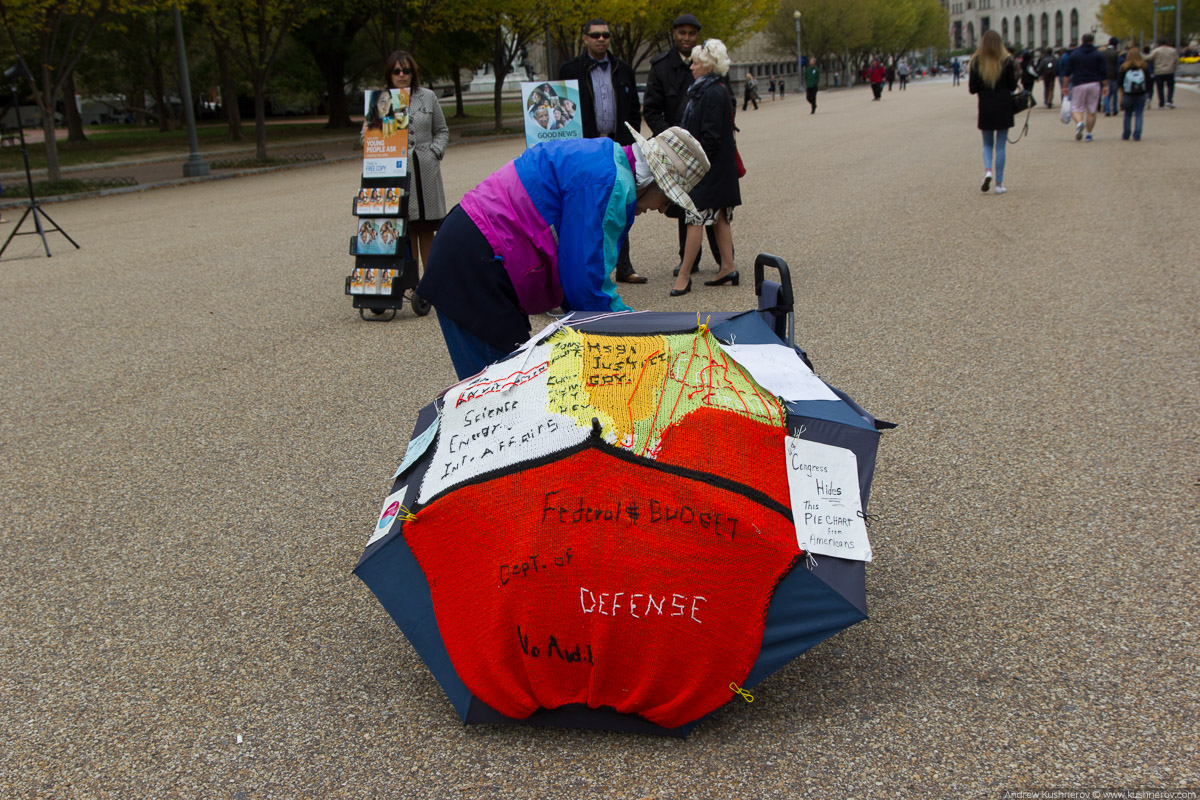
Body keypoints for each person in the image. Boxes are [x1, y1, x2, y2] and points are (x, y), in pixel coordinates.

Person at [416, 128, 709, 380]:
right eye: (667, 199)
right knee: (498, 403)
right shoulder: (609, 183)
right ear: (652, 180)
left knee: (510, 387)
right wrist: (649, 337)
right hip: (474, 268)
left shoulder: (605, 159)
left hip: (470, 252)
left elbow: (581, 279)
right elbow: (586, 287)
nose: (662, 209)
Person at [559, 18, 646, 285]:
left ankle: (624, 266)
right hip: (584, 148)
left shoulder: (624, 69)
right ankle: (589, 271)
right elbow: (559, 109)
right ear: (585, 38)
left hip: (617, 147)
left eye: (605, 35)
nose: (601, 39)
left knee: (620, 202)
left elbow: (633, 110)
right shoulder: (569, 69)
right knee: (585, 208)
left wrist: (629, 143)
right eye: (595, 35)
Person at [642, 13, 725, 278]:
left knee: (716, 200)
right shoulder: (661, 67)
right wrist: (671, 140)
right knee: (683, 202)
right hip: (677, 148)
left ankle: (724, 260)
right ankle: (688, 259)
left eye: (691, 33)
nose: (686, 38)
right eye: (682, 33)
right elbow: (652, 109)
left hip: (708, 145)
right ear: (674, 34)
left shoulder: (710, 65)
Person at [671, 39, 740, 298]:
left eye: (696, 63)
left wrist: (693, 164)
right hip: (718, 166)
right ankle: (728, 266)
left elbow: (710, 137)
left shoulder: (711, 92)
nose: (692, 67)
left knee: (694, 218)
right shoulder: (711, 89)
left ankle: (684, 275)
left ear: (708, 65)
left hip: (709, 167)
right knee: (720, 216)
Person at [386, 51, 449, 277]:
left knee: (426, 227)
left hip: (426, 169)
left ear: (413, 73)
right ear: (390, 74)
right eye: (397, 71)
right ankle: (412, 280)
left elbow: (441, 130)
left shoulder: (428, 97)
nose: (402, 75)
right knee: (407, 227)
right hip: (398, 170)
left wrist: (435, 151)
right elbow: (368, 138)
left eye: (406, 70)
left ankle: (431, 280)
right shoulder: (382, 101)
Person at [968, 29, 1018, 196]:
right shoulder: (1007, 60)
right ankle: (999, 183)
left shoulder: (976, 61)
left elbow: (972, 88)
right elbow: (1012, 86)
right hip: (1004, 105)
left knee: (987, 144)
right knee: (1001, 145)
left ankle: (988, 170)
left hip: (986, 105)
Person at [1063, 33, 1107, 142]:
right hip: (1094, 83)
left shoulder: (1074, 54)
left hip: (1079, 83)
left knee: (1076, 108)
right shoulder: (1098, 54)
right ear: (1092, 41)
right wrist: (1105, 85)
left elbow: (1067, 72)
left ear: (1082, 41)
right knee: (1092, 110)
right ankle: (1089, 133)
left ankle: (1079, 122)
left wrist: (1064, 86)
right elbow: (1103, 71)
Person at [1119, 47, 1148, 141]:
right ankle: (1137, 134)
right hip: (1140, 92)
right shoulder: (1143, 66)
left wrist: (1121, 92)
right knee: (1139, 113)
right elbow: (1149, 81)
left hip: (1128, 93)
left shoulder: (1124, 67)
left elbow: (1120, 81)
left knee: (1128, 114)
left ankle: (1126, 134)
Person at [1147, 40, 1178, 108]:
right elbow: (1176, 60)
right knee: (1170, 86)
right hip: (1169, 71)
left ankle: (1161, 103)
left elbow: (1149, 58)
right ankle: (1169, 100)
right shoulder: (1172, 50)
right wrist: (1174, 68)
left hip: (1158, 71)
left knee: (1160, 88)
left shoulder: (1156, 51)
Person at [1102, 37, 1121, 116]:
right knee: (1114, 94)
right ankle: (1114, 109)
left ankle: (1107, 110)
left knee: (1106, 94)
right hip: (1114, 76)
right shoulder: (1116, 53)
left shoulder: (1103, 52)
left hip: (1105, 76)